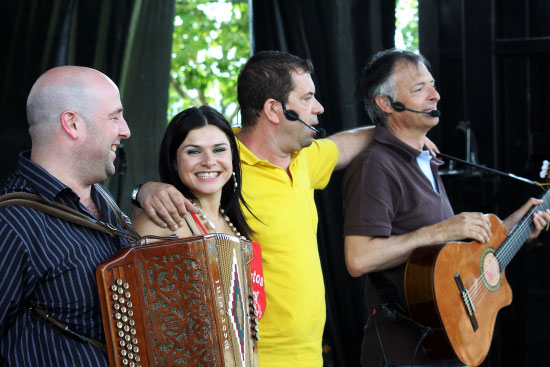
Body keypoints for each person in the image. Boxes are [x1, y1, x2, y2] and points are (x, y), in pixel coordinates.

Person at [132, 50, 394, 367]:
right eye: (308, 97)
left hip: (309, 355)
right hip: (251, 358)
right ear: (274, 109)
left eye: (217, 150)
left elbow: (346, 144)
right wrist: (145, 189)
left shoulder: (302, 159)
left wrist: (402, 135)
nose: (319, 108)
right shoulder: (223, 165)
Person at [342, 48, 550, 367]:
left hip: (445, 345)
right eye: (419, 89)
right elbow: (358, 258)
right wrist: (442, 230)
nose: (436, 96)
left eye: (433, 85)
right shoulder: (376, 165)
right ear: (385, 103)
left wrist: (516, 227)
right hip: (403, 354)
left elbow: (453, 259)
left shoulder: (426, 160)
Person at [0, 66, 133, 366]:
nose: (125, 130)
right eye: (114, 116)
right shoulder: (11, 225)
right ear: (72, 124)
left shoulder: (103, 198)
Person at [132, 105, 253, 241]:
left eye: (219, 150)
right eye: (194, 151)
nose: (209, 162)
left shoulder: (235, 221)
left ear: (232, 156)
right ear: (174, 161)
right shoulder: (161, 222)